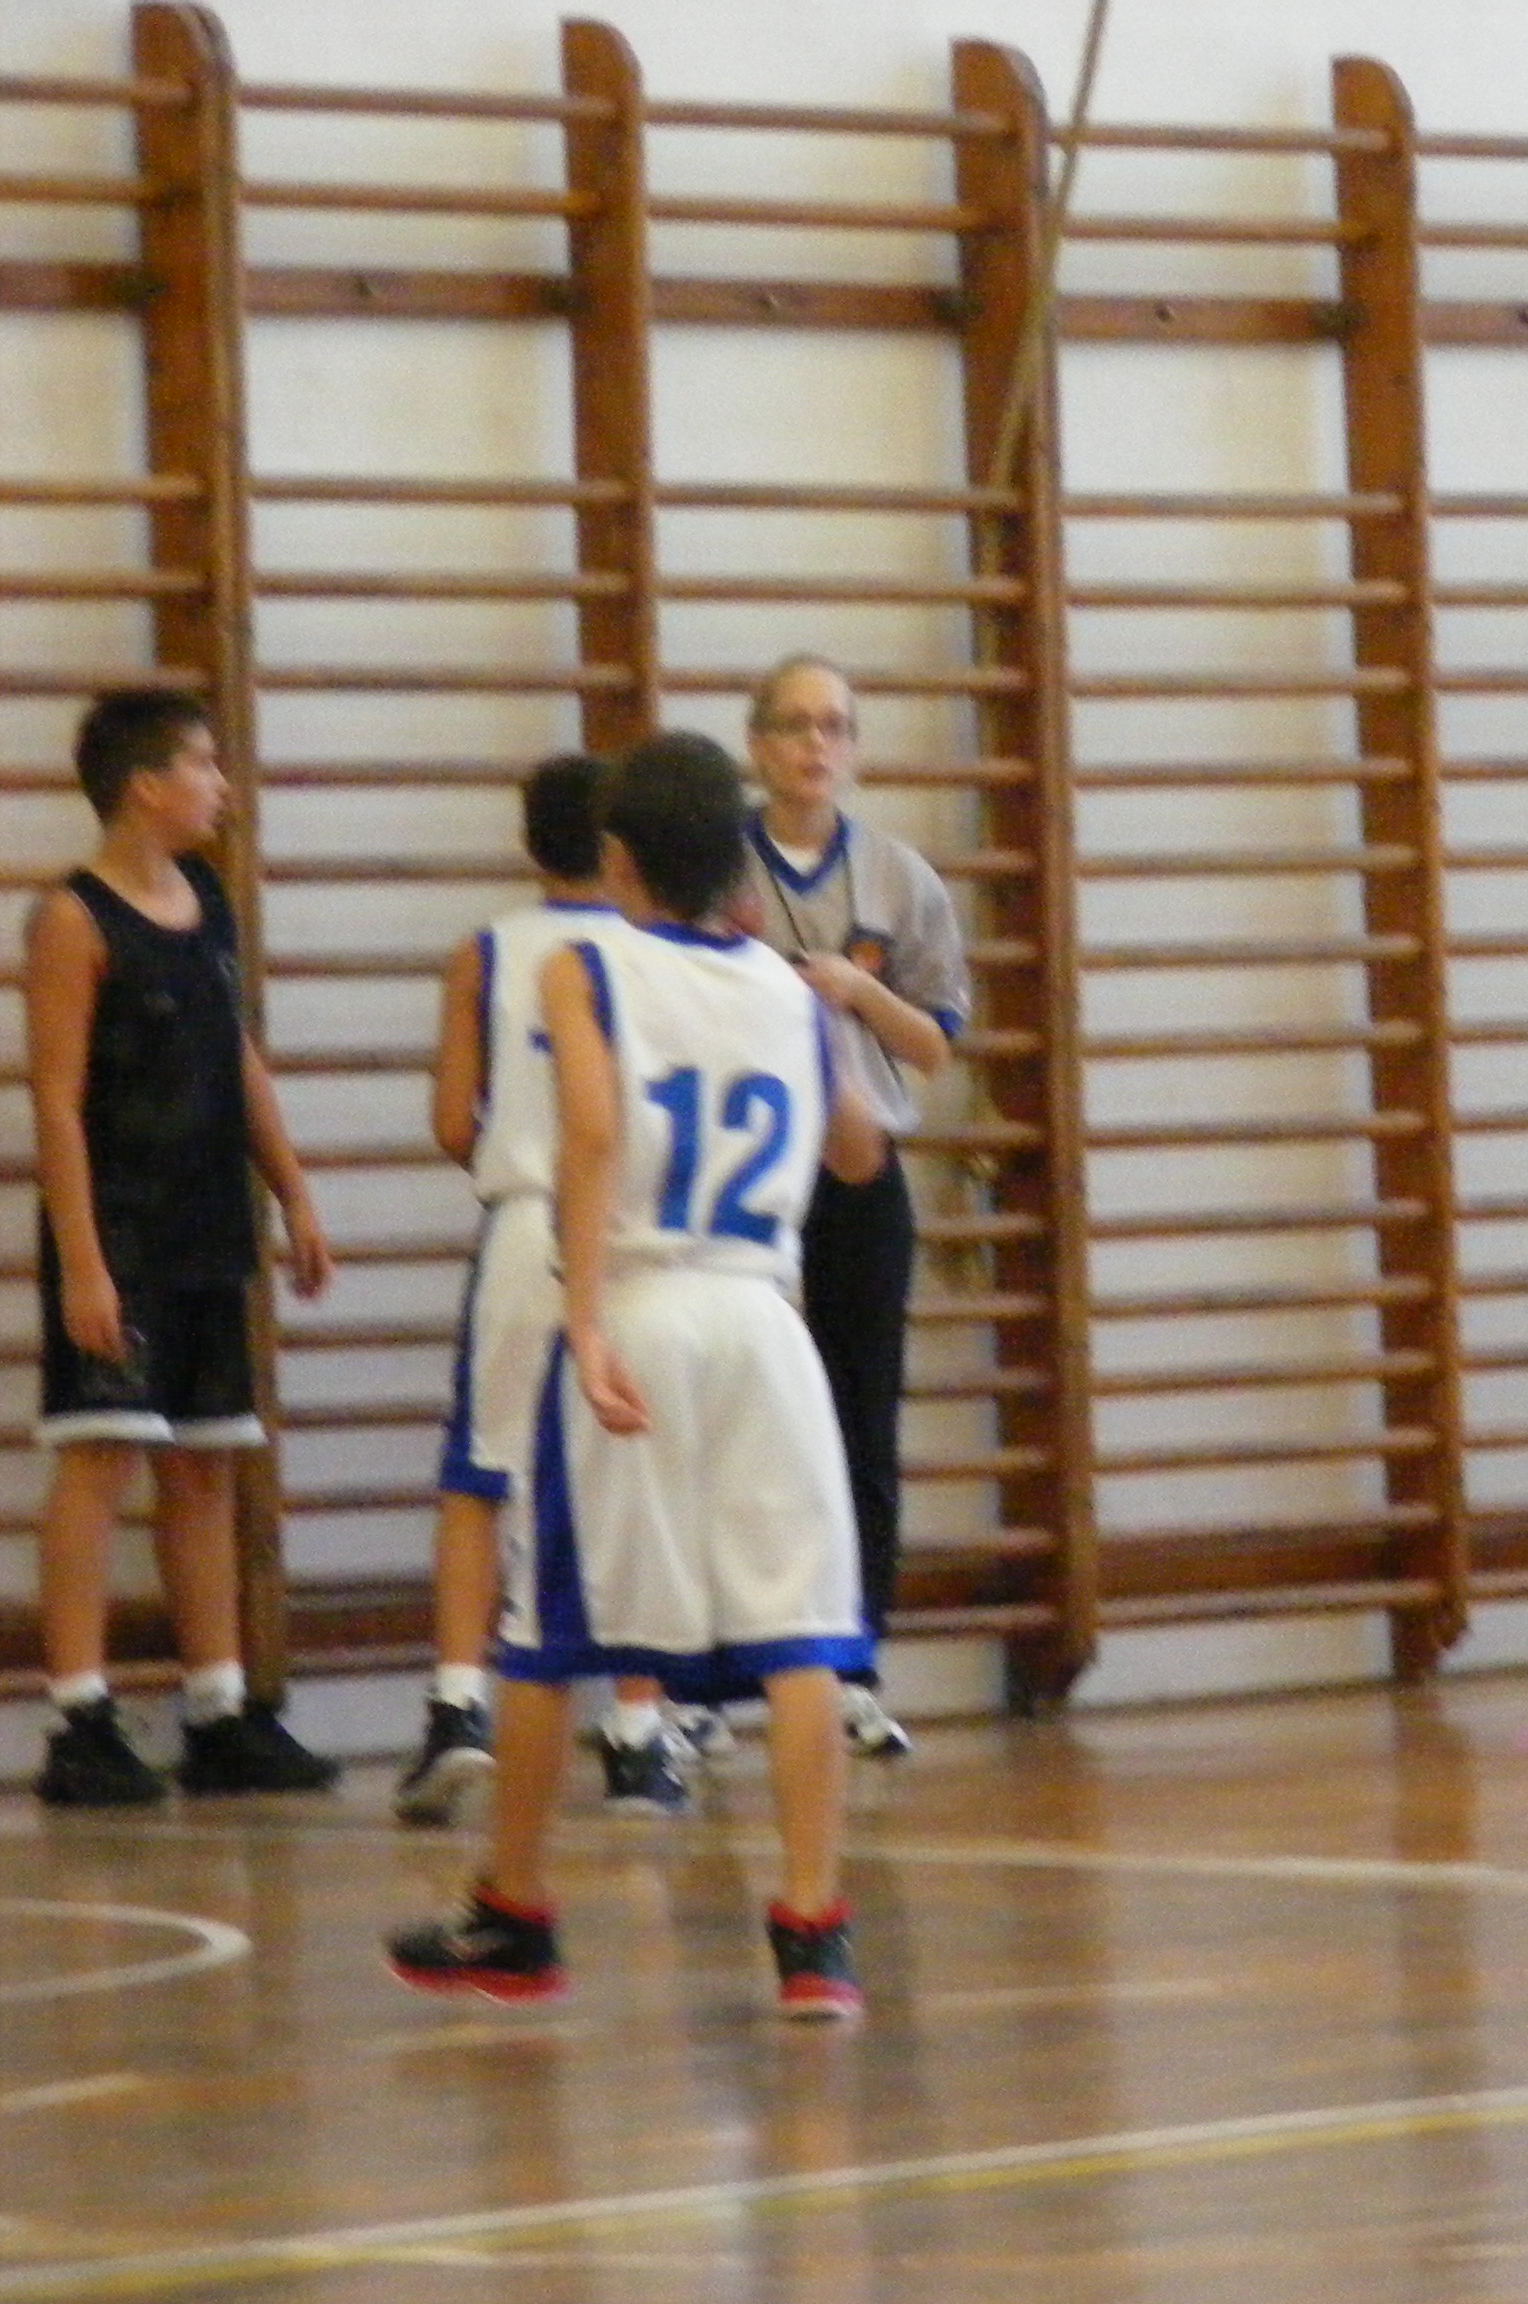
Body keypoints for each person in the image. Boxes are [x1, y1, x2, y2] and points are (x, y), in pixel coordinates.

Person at [385, 730, 887, 2018]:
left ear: (616, 859)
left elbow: (595, 1133)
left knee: (551, 1630)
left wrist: (586, 1318)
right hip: (763, 1320)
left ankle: (513, 1912)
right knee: (801, 1634)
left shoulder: (583, 963)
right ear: (735, 862)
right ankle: (816, 1938)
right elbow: (856, 1154)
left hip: (646, 1305)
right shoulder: (787, 988)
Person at [25, 689, 341, 1806]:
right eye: (203, 765)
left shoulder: (205, 900)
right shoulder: (71, 920)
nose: (222, 786)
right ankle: (78, 1719)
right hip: (120, 1231)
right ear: (145, 785)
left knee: (205, 1464)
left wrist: (292, 1189)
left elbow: (237, 1053)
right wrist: (83, 1264)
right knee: (100, 1459)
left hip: (209, 1224)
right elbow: (56, 1104)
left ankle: (216, 1710)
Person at [394, 755, 692, 1826]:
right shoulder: (664, 955)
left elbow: (449, 1122)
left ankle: (457, 1706)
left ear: (530, 845)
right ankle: (638, 1736)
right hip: (636, 1230)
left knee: (480, 1475)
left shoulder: (484, 954)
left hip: (527, 1225)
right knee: (639, 1474)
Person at [736, 654, 968, 1760]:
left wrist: (859, 988)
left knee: (860, 1420)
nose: (814, 745)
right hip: (741, 1178)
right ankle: (710, 1679)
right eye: (793, 725)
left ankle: (857, 1665)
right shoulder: (719, 868)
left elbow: (932, 1046)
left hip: (862, 1178)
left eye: (834, 725)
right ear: (757, 744)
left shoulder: (899, 879)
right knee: (742, 1420)